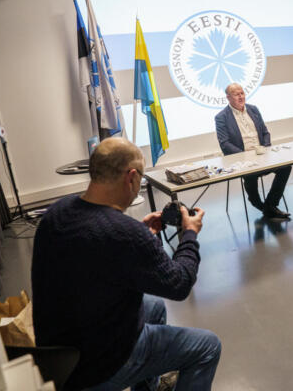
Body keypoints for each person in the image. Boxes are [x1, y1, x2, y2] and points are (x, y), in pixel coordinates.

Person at [31, 137, 221, 391]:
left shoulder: (57, 211)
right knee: (208, 347)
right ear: (131, 177)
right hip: (97, 366)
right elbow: (180, 283)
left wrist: (141, 234)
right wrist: (189, 235)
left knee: (154, 306)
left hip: (59, 356)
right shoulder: (125, 234)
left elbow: (94, 254)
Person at [214, 83, 291, 219]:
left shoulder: (253, 109)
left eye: (242, 93)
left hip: (262, 155)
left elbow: (265, 133)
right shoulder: (222, 117)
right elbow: (225, 144)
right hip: (242, 160)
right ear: (228, 97)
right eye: (236, 94)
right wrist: (245, 156)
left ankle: (270, 205)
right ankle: (257, 202)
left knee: (285, 167)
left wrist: (265, 147)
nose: (241, 97)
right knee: (251, 175)